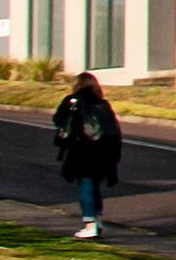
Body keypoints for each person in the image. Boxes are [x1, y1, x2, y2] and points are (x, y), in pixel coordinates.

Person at [52, 72, 123, 238]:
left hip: (84, 149)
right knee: (95, 186)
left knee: (85, 187)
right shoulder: (104, 104)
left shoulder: (74, 101)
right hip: (106, 151)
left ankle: (90, 224)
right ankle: (96, 220)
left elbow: (58, 119)